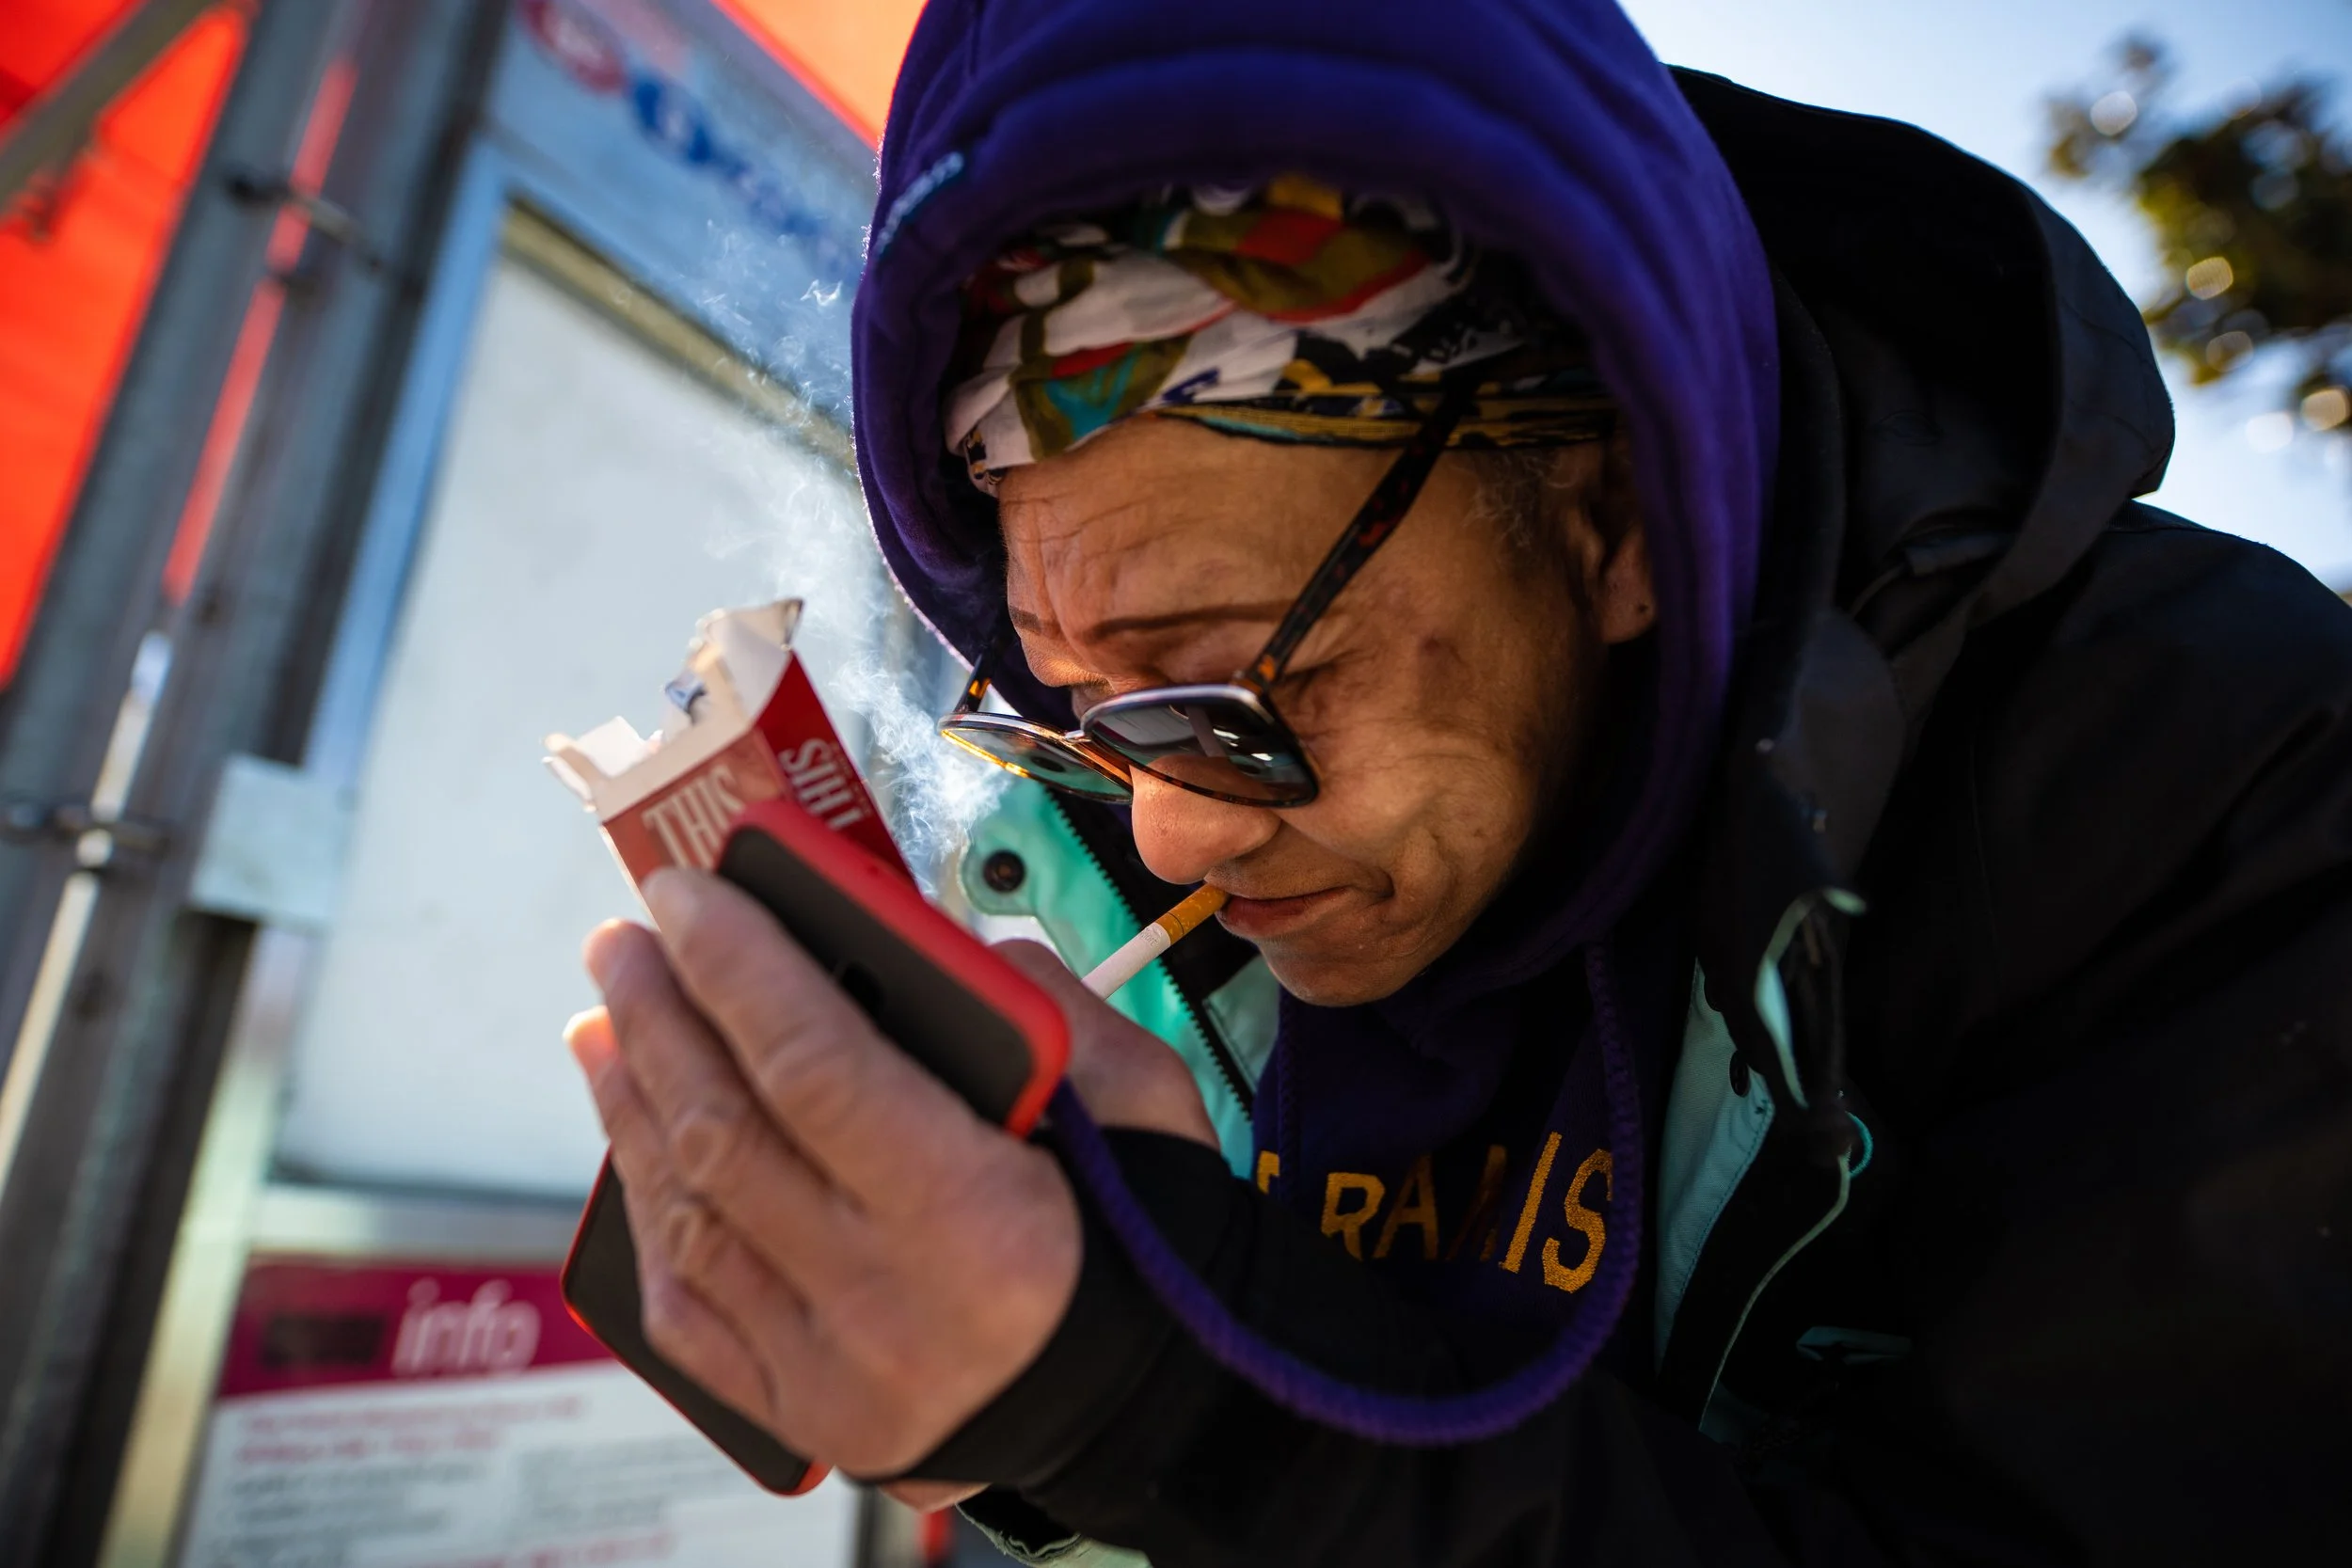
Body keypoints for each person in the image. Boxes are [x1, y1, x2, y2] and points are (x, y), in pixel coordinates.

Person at [561, 0, 2352, 1561]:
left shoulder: (2200, 778)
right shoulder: (1122, 869)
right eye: (1086, 708)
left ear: (1617, 513)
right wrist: (1004, 1397)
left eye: (1240, 687)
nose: (1171, 824)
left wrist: (1173, 1399)